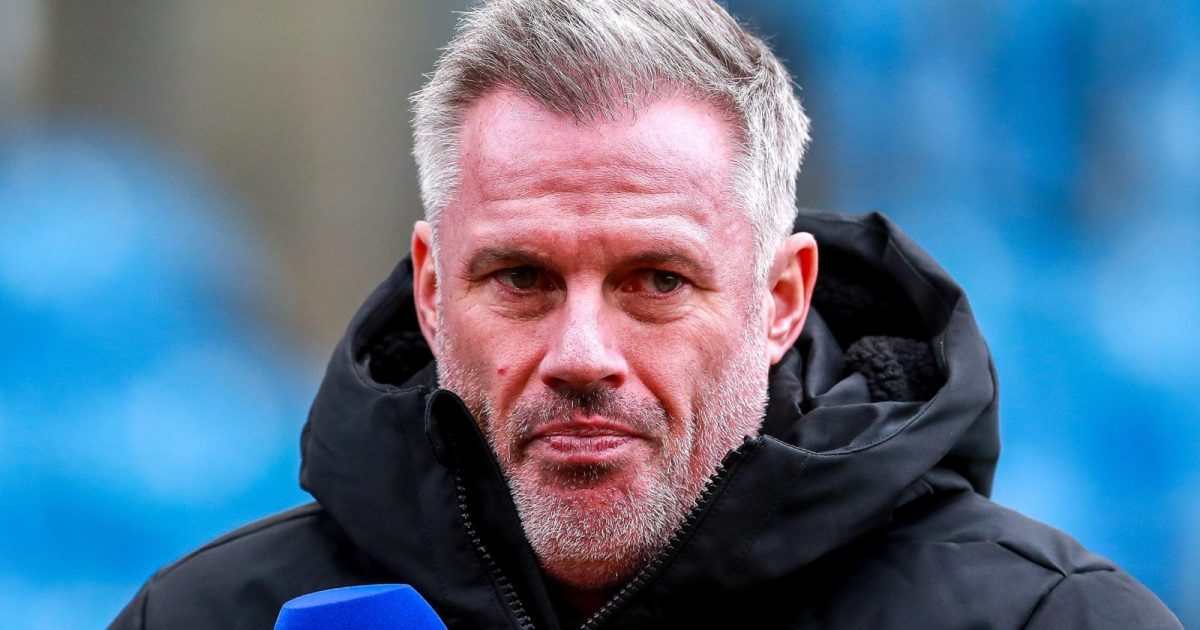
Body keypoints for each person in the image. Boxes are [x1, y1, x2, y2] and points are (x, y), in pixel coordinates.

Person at [111, 1, 1180, 628]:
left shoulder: (1047, 622)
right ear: (432, 294)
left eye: (658, 281)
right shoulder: (211, 619)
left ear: (779, 300)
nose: (583, 354)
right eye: (521, 278)